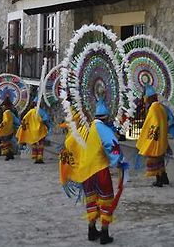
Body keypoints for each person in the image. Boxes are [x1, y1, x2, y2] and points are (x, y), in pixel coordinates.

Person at [59, 97, 128, 245]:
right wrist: (119, 162)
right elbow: (112, 146)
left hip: (85, 171)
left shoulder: (84, 127)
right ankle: (104, 233)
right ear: (106, 117)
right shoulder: (102, 128)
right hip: (99, 169)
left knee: (91, 199)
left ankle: (91, 229)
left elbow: (71, 142)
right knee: (106, 199)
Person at [135, 84, 174, 187]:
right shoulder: (161, 107)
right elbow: (168, 120)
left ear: (149, 98)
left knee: (156, 158)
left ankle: (159, 180)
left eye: (146, 98)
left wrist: (150, 138)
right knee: (160, 158)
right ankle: (164, 177)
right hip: (162, 137)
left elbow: (153, 124)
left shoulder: (153, 108)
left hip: (155, 138)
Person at [16, 96, 51, 164]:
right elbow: (45, 119)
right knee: (40, 144)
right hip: (40, 130)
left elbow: (24, 120)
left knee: (34, 144)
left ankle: (35, 156)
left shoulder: (30, 111)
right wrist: (48, 127)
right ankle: (40, 157)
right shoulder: (41, 111)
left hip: (32, 131)